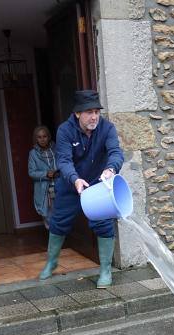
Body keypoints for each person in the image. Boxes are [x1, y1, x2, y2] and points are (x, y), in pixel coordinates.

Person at [38, 90, 124, 288]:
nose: (94, 116)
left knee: (103, 224)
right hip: (71, 185)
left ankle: (105, 270)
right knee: (58, 222)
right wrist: (75, 180)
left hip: (97, 184)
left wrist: (111, 169)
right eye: (89, 112)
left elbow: (115, 152)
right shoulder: (65, 130)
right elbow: (64, 160)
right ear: (77, 113)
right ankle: (52, 262)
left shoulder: (107, 128)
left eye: (96, 111)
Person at [27, 125, 58, 228]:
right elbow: (31, 172)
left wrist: (58, 172)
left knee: (61, 213)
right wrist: (45, 174)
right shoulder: (33, 154)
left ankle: (62, 238)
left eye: (44, 136)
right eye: (39, 137)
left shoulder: (56, 150)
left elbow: (64, 164)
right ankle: (54, 240)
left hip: (59, 186)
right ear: (36, 139)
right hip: (45, 190)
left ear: (48, 137)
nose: (42, 139)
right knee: (48, 216)